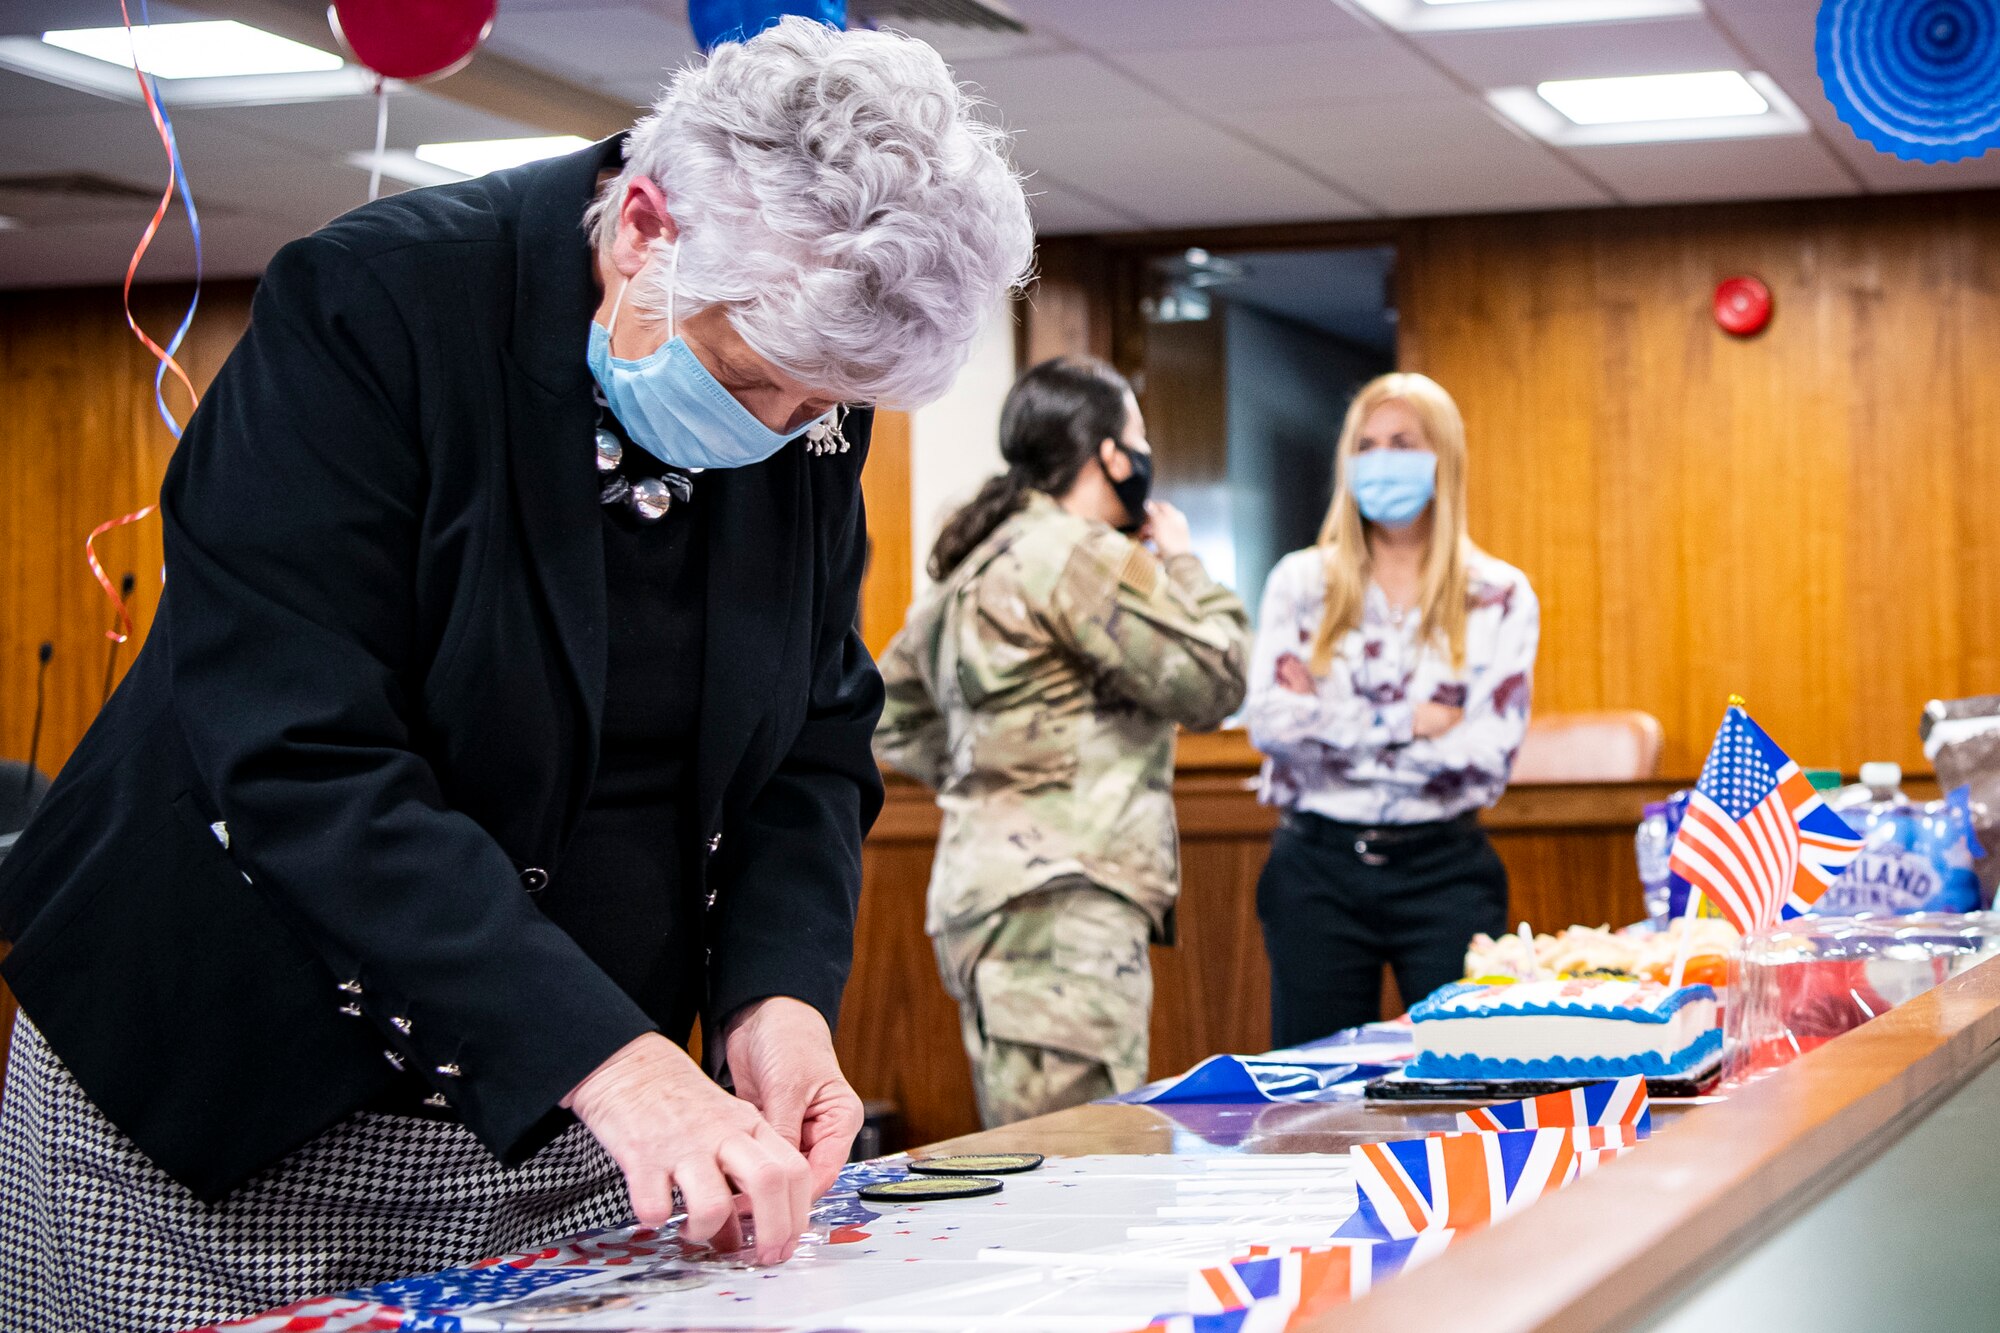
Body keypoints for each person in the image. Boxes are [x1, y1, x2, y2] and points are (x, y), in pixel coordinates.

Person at [0, 19, 1032, 1331]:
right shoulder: (375, 308)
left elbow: (815, 733)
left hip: (566, 1121)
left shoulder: (807, 383)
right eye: (751, 382)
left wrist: (777, 994)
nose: (777, 435)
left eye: (813, 411)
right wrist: (609, 1063)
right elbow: (302, 757)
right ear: (646, 225)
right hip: (221, 1096)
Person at [875, 357, 1250, 1127]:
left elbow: (885, 716)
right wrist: (1180, 557)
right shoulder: (1076, 554)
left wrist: (996, 768)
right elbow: (1217, 678)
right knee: (1084, 1162)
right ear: (1108, 453)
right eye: (1136, 437)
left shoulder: (978, 557)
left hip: (989, 896)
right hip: (1064, 900)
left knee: (1035, 1146)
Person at [1244, 372, 1538, 1049]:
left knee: (1470, 1077)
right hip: (1315, 867)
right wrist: (1406, 723)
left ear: (1444, 456)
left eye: (1402, 442)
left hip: (1445, 869)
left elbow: (1483, 759)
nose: (1381, 461)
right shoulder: (1300, 582)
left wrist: (1331, 720)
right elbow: (1272, 725)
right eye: (1366, 445)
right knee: (1310, 1092)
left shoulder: (1499, 594)